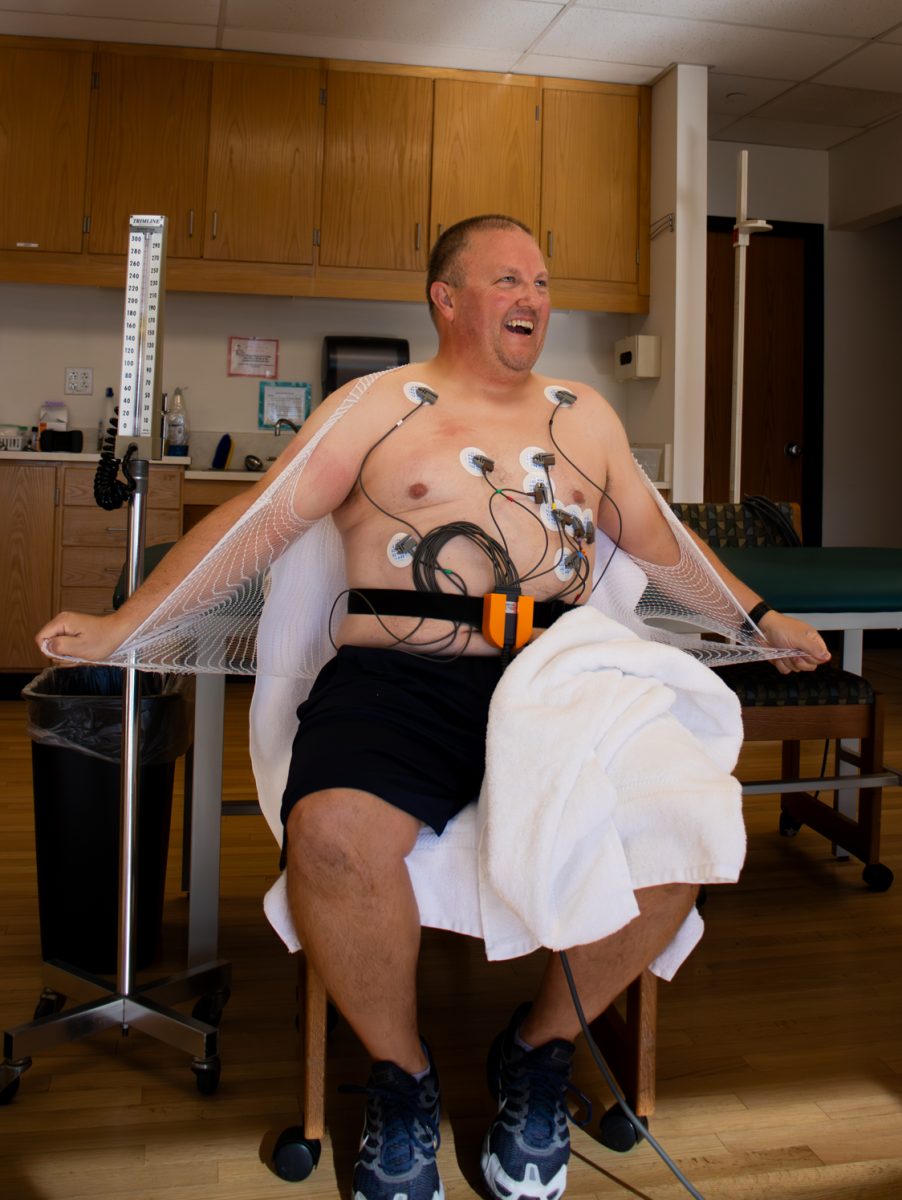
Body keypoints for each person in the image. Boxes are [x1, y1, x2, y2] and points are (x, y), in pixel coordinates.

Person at [38, 215, 830, 1200]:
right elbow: (258, 521)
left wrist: (758, 615)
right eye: (506, 280)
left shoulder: (583, 414)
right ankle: (401, 1079)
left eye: (541, 281)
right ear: (445, 298)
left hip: (560, 676)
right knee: (328, 835)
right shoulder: (375, 405)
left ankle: (534, 1055)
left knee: (692, 823)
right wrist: (128, 626)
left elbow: (661, 543)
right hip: (399, 682)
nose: (533, 298)